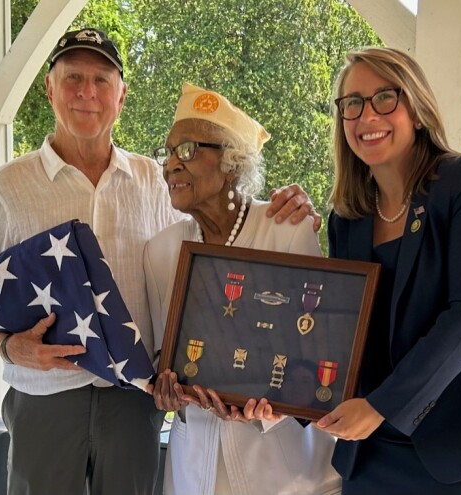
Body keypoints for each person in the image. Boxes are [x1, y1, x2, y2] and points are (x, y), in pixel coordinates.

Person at [0, 29, 318, 495]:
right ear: (50, 89)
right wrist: (10, 348)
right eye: (73, 78)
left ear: (121, 97)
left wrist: (288, 200)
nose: (87, 93)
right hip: (43, 398)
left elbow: (226, 221)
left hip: (134, 401)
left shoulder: (158, 183)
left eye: (101, 80)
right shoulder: (5, 187)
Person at [316, 46, 461, 494]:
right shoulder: (346, 219)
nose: (367, 117)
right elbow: (340, 327)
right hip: (372, 446)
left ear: (417, 110)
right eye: (352, 104)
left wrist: (382, 405)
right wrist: (284, 393)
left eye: (385, 98)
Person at [144, 83, 342, 495]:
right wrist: (165, 388)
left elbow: (317, 347)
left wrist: (269, 406)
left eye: (188, 150)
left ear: (232, 161)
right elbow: (163, 352)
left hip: (283, 469)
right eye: (167, 152)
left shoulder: (286, 228)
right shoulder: (161, 250)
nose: (169, 166)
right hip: (195, 470)